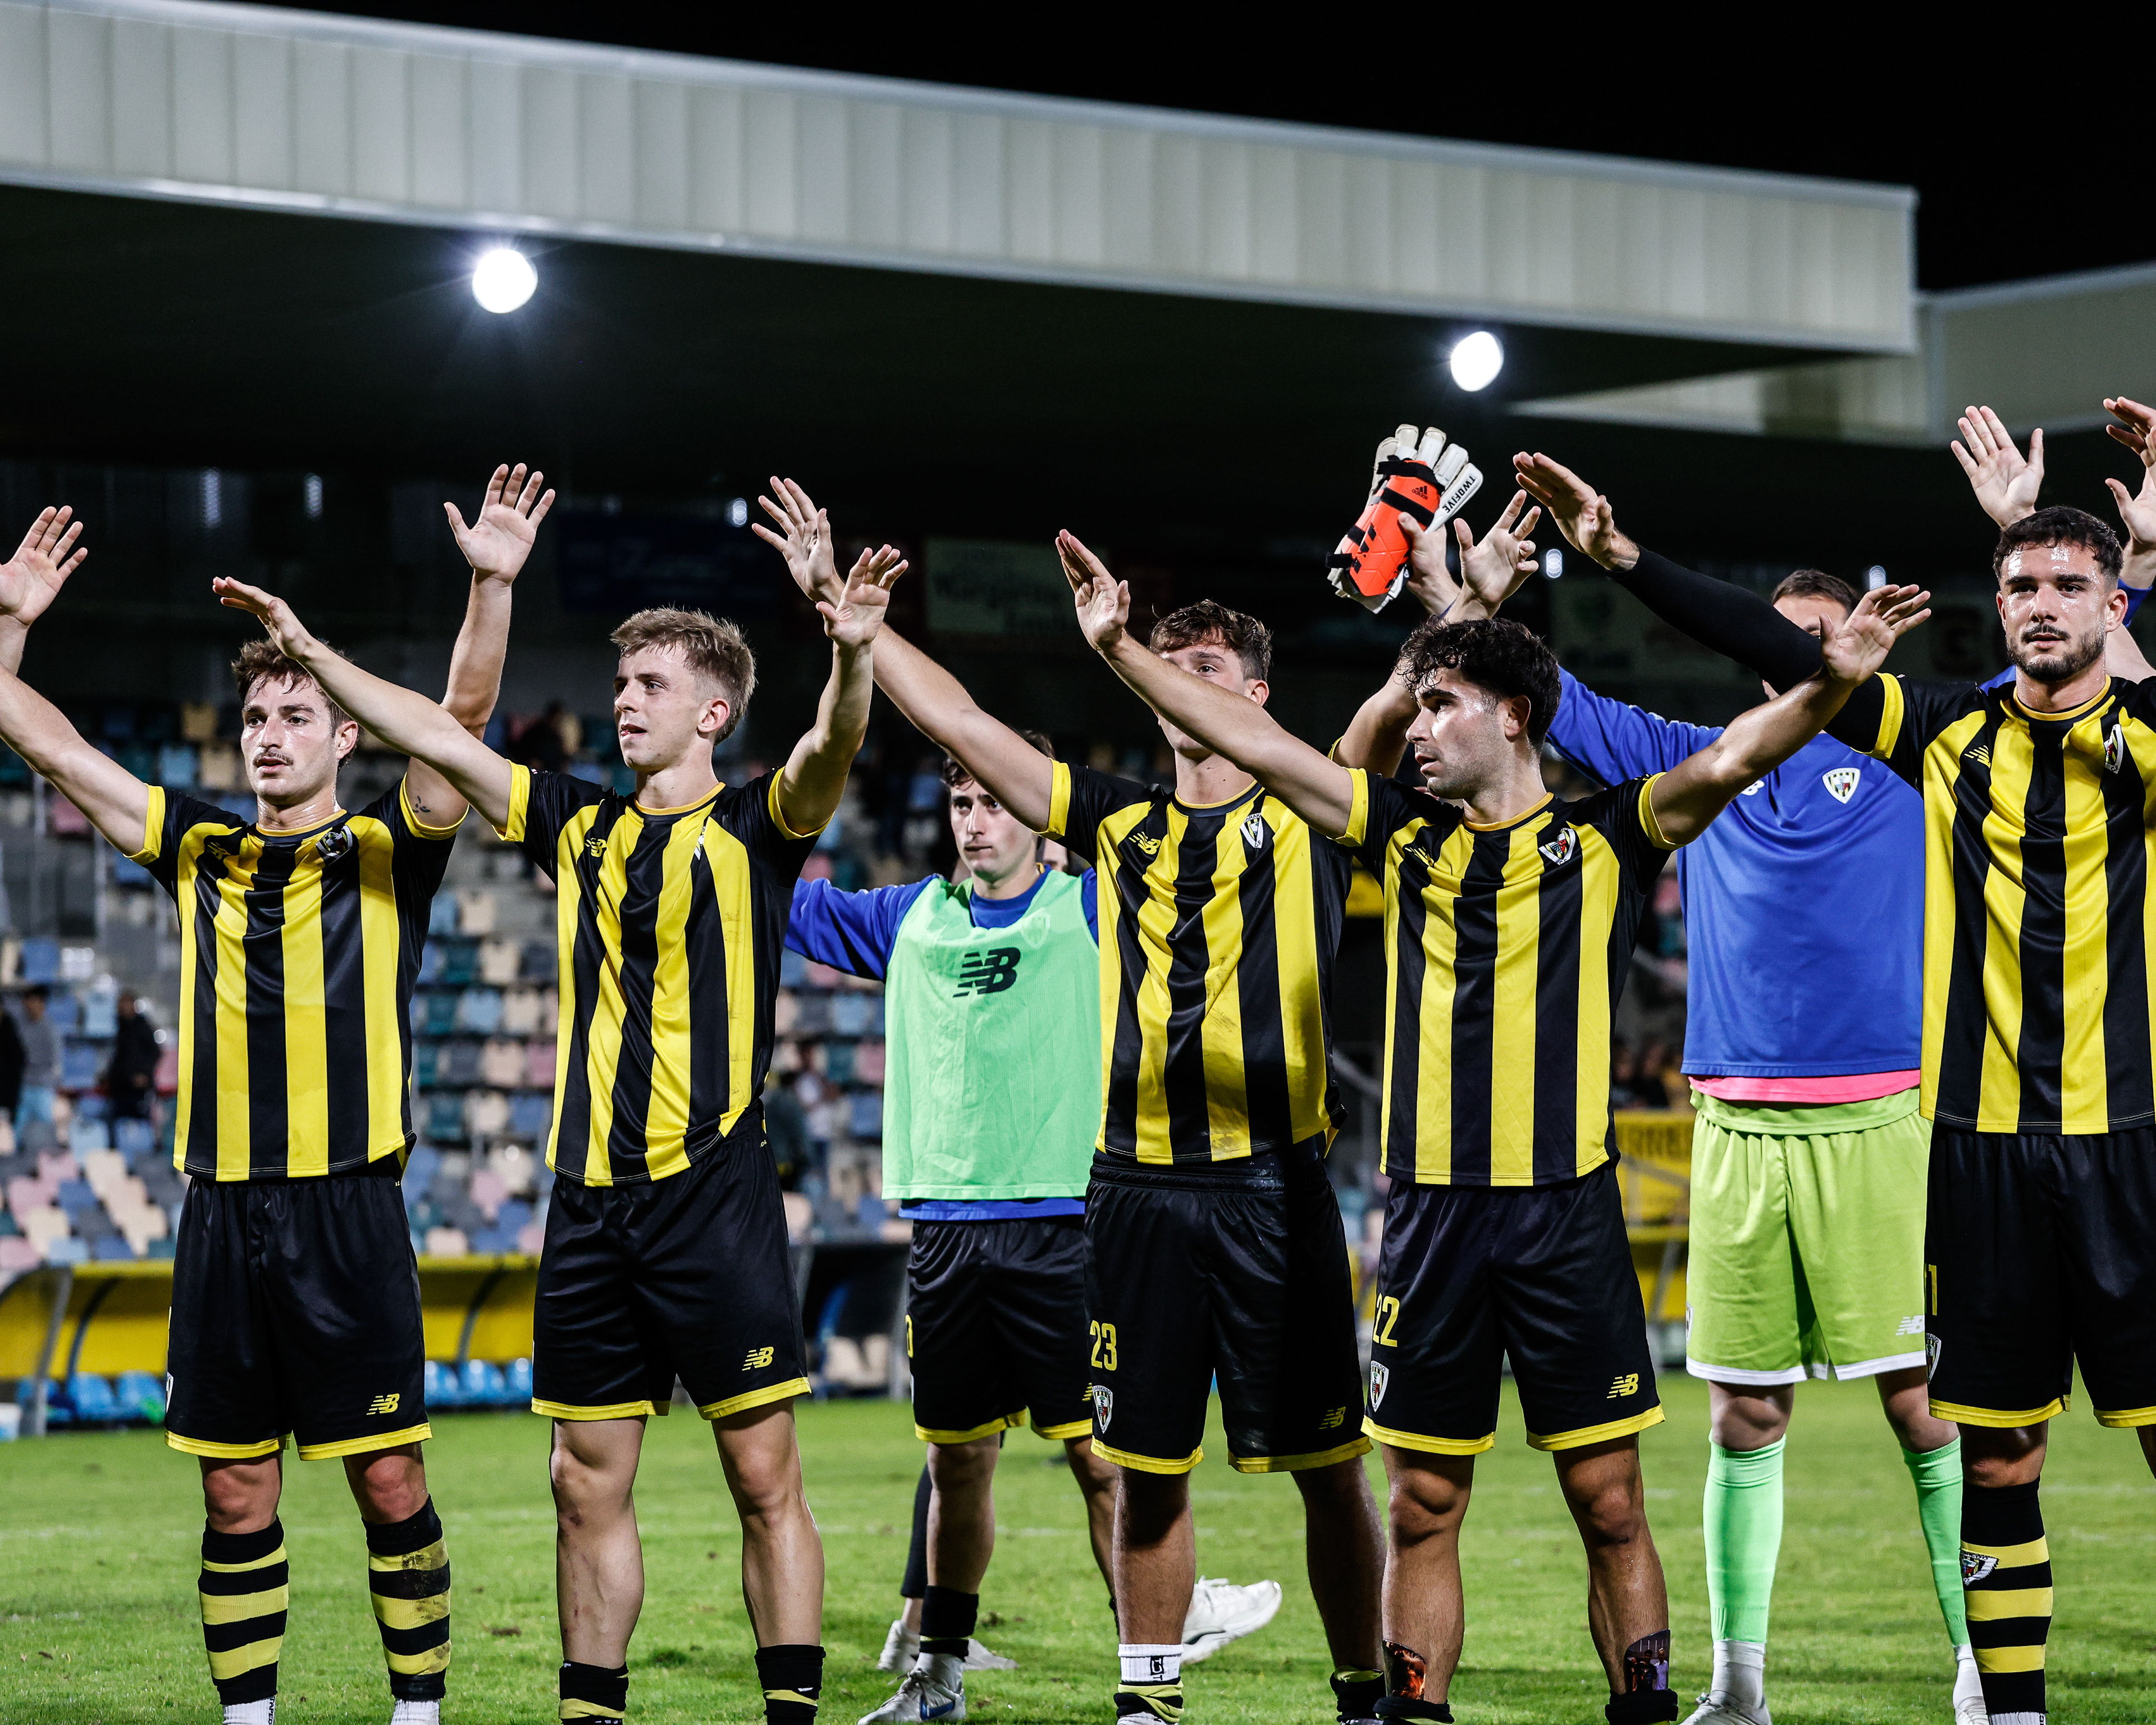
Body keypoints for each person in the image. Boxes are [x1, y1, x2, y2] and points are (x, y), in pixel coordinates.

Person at [1054, 522, 1930, 1725]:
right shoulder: (1394, 830)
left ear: (1516, 716)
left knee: (1609, 1501)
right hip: (1429, 1221)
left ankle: (1646, 1710)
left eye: (1441, 705)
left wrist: (1837, 681)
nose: (1417, 728)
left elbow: (1740, 751)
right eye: (1416, 707)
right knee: (1422, 1504)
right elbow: (1250, 739)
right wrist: (1120, 654)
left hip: (1565, 1216)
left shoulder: (1612, 832)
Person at [1511, 403, 2156, 1725]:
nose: (2041, 603)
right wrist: (1601, 561)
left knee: (1985, 1416)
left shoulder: (2022, 748)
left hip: (2005, 1125)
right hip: (1872, 1138)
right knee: (1898, 1434)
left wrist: (2134, 560)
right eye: (2020, 585)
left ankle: (1977, 1667)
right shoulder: (1836, 750)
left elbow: (2112, 654)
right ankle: (1838, 1689)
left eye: (2067, 585)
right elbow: (1673, 671)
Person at [214, 529, 905, 1725]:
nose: (624, 700)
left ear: (714, 712)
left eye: (651, 685)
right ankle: (593, 1712)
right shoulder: (577, 823)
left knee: (763, 1477)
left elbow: (831, 744)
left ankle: (789, 1714)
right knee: (582, 1483)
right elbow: (438, 737)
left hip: (714, 1193)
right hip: (586, 1204)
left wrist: (852, 656)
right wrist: (312, 653)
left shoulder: (759, 825)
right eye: (621, 681)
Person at [757, 477, 1404, 1725]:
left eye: (1206, 669)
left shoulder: (1314, 807)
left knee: (1331, 1472)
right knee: (1144, 1472)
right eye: (1169, 669)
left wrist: (1439, 599)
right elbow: (961, 717)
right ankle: (1145, 1705)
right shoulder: (1114, 826)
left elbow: (1389, 709)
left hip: (1274, 1189)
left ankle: (1361, 1697)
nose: (1181, 685)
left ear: (1257, 694)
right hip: (1135, 1192)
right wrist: (848, 612)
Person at [0, 464, 551, 1725]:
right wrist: (12, 623)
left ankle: (418, 1714)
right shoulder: (196, 847)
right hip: (221, 1211)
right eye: (256, 716)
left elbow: (462, 714)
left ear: (345, 734)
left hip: (349, 1207)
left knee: (389, 1481)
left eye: (298, 714)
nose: (270, 734)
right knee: (233, 1490)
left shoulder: (392, 846)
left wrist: (490, 589)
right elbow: (44, 740)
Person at [1406, 517, 1977, 1723]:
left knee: (1924, 1403)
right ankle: (1736, 1685)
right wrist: (1466, 602)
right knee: (1743, 1411)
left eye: (1818, 636)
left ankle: (1984, 1660)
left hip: (1881, 1113)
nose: (1800, 652)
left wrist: (2135, 577)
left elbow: (2055, 692)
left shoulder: (1916, 754)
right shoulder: (1693, 759)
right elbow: (1526, 705)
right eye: (1780, 636)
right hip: (1730, 1122)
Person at [781, 733, 1280, 1724]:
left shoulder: (1092, 907)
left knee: (1103, 1462)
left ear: (1042, 814)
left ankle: (1152, 1668)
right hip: (945, 1232)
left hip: (1067, 1229)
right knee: (956, 1464)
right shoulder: (910, 917)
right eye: (962, 803)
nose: (976, 823)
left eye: (997, 802)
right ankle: (938, 1676)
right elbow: (772, 894)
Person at [105, 991, 161, 1121]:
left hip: (138, 1089)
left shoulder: (142, 1026)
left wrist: (144, 1074)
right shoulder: (118, 1027)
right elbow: (118, 1057)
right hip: (120, 1086)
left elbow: (155, 1052)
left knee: (140, 1123)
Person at [15, 983, 56, 1130]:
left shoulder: (50, 1030)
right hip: (22, 1086)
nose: (30, 1004)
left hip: (42, 1088)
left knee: (46, 1128)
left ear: (42, 1003)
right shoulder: (18, 1027)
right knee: (17, 1129)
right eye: (28, 1000)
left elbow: (53, 1060)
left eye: (34, 1001)